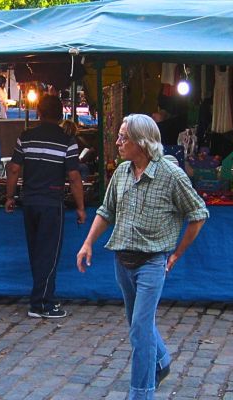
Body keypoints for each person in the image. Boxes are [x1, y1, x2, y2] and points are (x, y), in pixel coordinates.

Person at [76, 114, 209, 400]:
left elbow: (198, 214)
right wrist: (87, 243)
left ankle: (141, 393)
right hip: (122, 261)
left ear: (142, 141)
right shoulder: (123, 172)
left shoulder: (171, 175)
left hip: (151, 263)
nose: (118, 141)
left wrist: (177, 253)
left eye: (124, 137)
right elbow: (106, 211)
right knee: (137, 323)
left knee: (139, 330)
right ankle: (161, 361)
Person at [4, 94, 86, 319]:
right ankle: (44, 304)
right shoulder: (67, 141)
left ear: (39, 113)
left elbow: (13, 169)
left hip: (29, 202)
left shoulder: (26, 137)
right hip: (51, 203)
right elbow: (74, 177)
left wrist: (10, 197)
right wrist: (80, 207)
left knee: (36, 252)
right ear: (60, 115)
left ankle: (39, 300)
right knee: (48, 254)